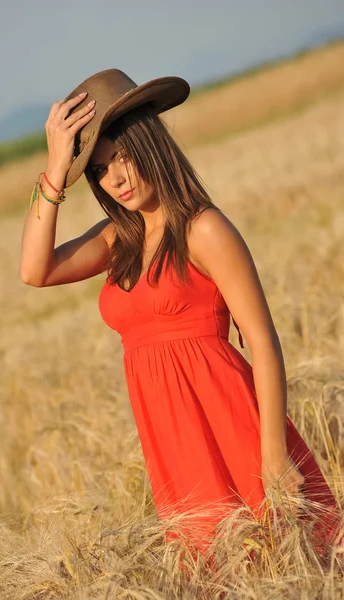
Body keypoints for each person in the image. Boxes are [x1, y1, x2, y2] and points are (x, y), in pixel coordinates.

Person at [20, 69, 342, 563]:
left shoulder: (203, 229)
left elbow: (263, 342)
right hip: (170, 442)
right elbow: (34, 270)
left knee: (278, 561)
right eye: (100, 169)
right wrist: (56, 168)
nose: (117, 179)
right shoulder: (117, 239)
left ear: (151, 144)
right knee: (211, 570)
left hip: (230, 424)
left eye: (123, 156)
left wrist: (274, 453)